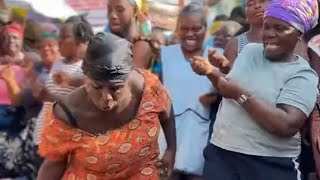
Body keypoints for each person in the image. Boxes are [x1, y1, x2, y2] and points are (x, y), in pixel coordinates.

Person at [191, 0, 319, 179]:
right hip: (222, 156)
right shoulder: (250, 51)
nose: (270, 34)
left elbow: (286, 124)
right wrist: (210, 71)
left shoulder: (303, 75)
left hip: (268, 165)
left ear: (298, 35)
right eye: (267, 27)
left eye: (281, 28)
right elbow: (229, 84)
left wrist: (240, 95)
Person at [37, 32, 176, 180]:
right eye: (97, 87)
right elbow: (53, 165)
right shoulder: (68, 114)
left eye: (116, 88)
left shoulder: (148, 89)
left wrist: (171, 149)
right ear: (86, 77)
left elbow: (166, 113)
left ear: (127, 78)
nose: (106, 98)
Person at [160, 3, 212, 180]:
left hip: (200, 137)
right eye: (184, 28)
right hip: (168, 136)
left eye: (196, 28)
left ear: (206, 29)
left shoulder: (215, 56)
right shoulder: (164, 55)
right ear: (177, 29)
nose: (190, 34)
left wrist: (216, 97)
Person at [34, 15, 93, 145]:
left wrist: (51, 96)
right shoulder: (58, 64)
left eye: (65, 37)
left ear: (79, 41)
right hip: (42, 134)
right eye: (59, 37)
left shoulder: (86, 68)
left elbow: (80, 104)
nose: (59, 41)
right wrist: (42, 95)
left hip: (64, 139)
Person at [223, 0, 269, 69]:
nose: (257, 6)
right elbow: (228, 77)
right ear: (245, 14)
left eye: (262, 1)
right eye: (250, 4)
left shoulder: (284, 37)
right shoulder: (235, 45)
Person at [107, 0, 153, 69]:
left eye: (120, 10)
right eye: (109, 10)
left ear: (135, 11)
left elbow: (126, 77)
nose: (112, 15)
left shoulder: (142, 44)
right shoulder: (109, 45)